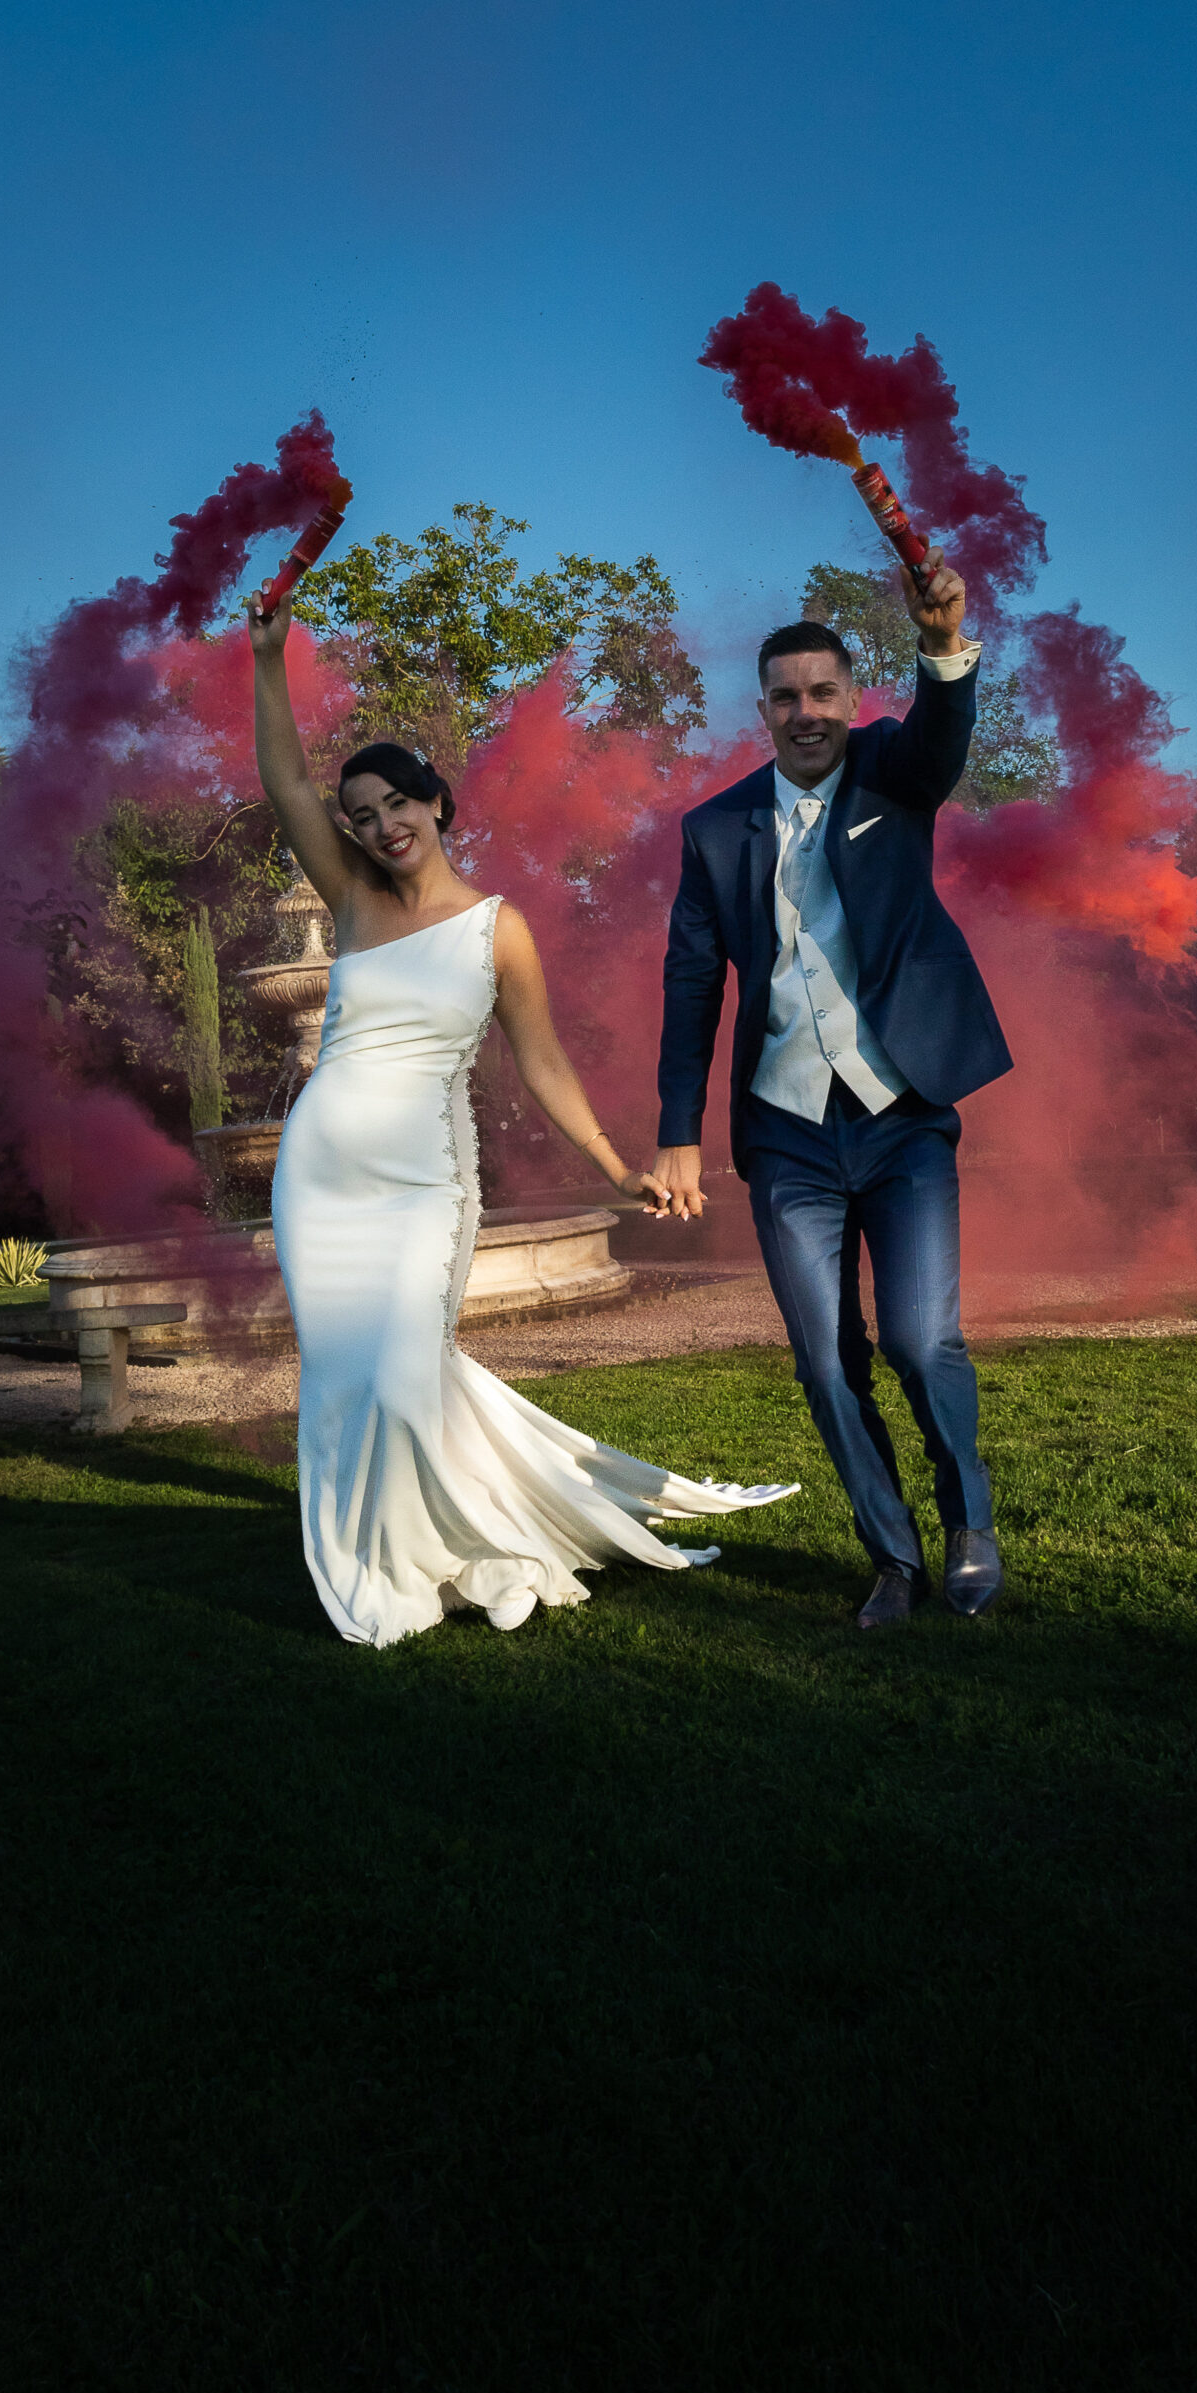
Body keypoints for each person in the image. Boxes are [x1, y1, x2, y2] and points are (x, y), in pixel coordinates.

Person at [247, 593, 796, 1649]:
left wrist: (614, 1166)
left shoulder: (499, 931)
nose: (381, 825)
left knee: (405, 1375)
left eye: (396, 803)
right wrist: (269, 658)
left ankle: (495, 1550)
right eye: (360, 816)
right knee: (347, 1384)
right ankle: (402, 1556)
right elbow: (281, 780)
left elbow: (541, 1062)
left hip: (424, 1181)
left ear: (434, 801)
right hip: (318, 1179)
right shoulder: (351, 899)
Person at [652, 549, 1011, 1630]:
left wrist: (942, 646)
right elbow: (690, 986)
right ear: (760, 709)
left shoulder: (892, 773)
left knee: (918, 1340)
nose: (804, 713)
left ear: (852, 700)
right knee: (823, 1358)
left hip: (902, 1118)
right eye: (784, 697)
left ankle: (968, 1522)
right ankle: (892, 1559)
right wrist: (677, 1132)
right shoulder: (713, 830)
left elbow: (941, 736)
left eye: (822, 693)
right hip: (787, 1134)